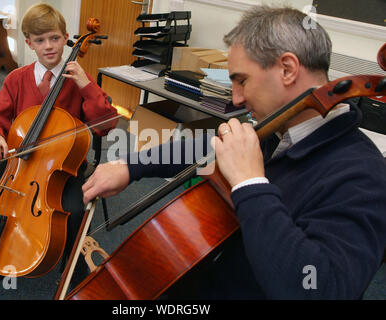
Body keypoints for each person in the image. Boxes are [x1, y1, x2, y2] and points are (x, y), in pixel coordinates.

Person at [81, 6, 386, 299]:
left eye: (242, 80)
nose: (237, 99)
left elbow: (319, 289)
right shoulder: (274, 130)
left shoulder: (364, 176)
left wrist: (249, 184)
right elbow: (205, 145)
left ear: (288, 69)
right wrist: (130, 166)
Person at [0, 3, 117, 280]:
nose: (49, 46)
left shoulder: (78, 79)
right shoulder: (17, 79)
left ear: (65, 37)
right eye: (40, 40)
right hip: (19, 164)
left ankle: (71, 267)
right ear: (29, 43)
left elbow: (106, 124)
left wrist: (86, 85)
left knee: (75, 209)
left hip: (62, 166)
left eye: (55, 38)